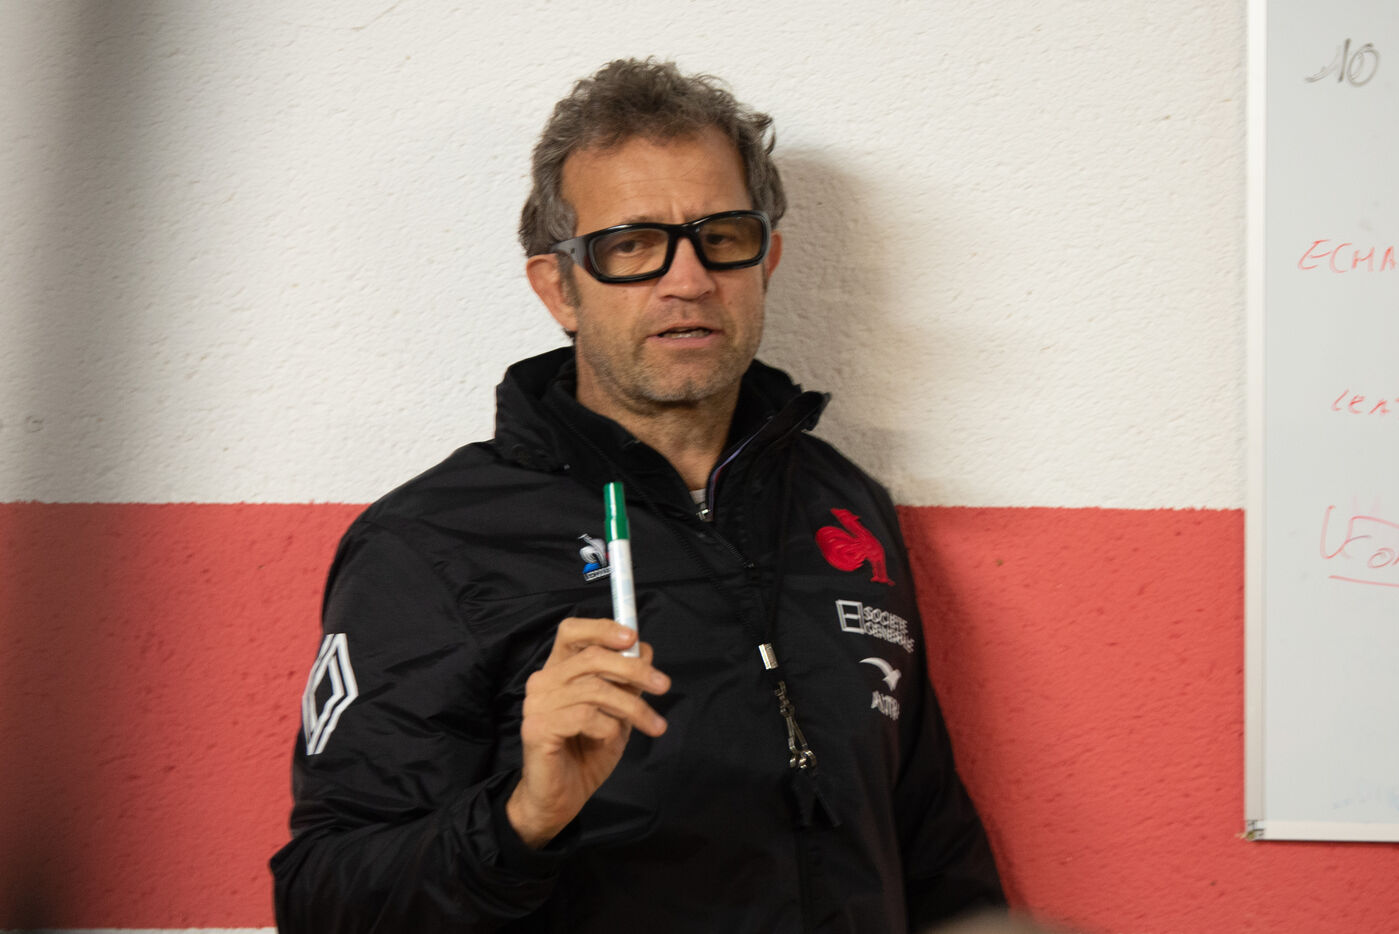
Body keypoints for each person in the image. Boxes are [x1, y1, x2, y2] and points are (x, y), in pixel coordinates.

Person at [271, 58, 1004, 932]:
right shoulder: (431, 544)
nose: (687, 280)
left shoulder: (844, 506)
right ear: (558, 288)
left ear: (766, 258)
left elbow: (927, 832)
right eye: (631, 246)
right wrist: (522, 819)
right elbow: (323, 897)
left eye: (720, 236)